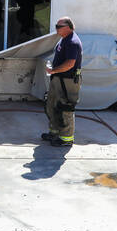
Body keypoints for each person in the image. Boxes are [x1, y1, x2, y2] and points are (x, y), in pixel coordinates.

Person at [42, 17, 83, 148]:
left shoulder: (72, 42)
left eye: (59, 26)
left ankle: (66, 139)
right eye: (56, 26)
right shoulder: (64, 40)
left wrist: (54, 70)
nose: (56, 29)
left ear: (69, 27)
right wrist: (54, 73)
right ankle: (54, 133)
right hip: (58, 79)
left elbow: (70, 64)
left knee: (66, 108)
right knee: (52, 105)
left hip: (68, 80)